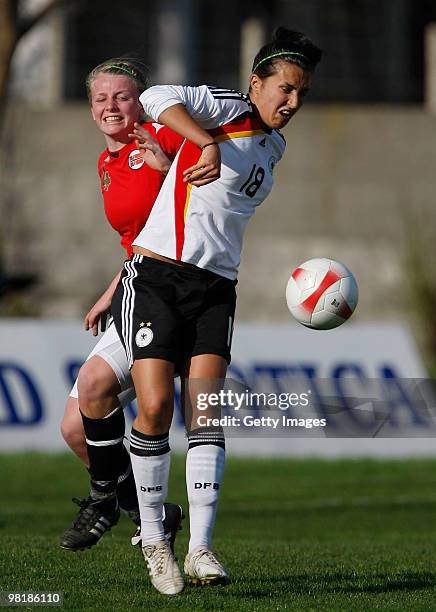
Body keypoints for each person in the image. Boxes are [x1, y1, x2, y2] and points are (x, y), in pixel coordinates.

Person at [85, 28, 322, 595]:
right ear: (256, 83)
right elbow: (157, 95)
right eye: (283, 89)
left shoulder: (275, 146)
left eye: (300, 94)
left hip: (218, 286)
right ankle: (155, 544)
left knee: (208, 414)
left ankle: (200, 549)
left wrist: (181, 157)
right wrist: (206, 142)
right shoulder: (227, 109)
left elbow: (212, 204)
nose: (290, 103)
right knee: (156, 405)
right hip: (159, 274)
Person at [59, 58, 185, 552]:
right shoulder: (107, 162)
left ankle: (106, 502)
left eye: (123, 96)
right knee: (75, 429)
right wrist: (112, 292)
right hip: (135, 287)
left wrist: (170, 165)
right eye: (101, 98)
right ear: (91, 109)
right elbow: (139, 240)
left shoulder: (161, 135)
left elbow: (201, 193)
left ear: (142, 101)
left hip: (171, 296)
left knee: (94, 390)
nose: (111, 106)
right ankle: (143, 509)